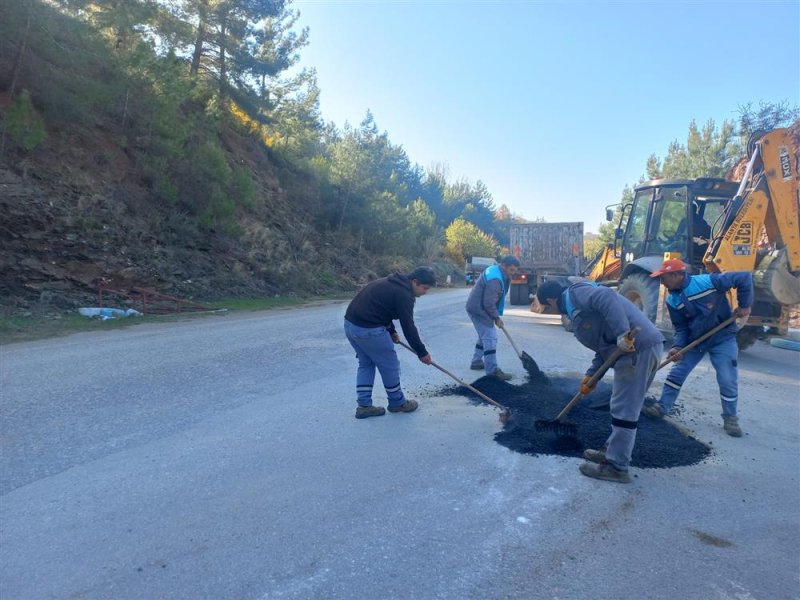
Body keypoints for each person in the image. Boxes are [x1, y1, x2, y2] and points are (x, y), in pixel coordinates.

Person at [536, 279, 665, 483]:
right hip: (635, 350)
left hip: (637, 349)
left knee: (624, 409)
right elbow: (604, 347)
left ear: (552, 300)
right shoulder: (575, 311)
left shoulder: (576, 294)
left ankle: (617, 466)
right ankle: (611, 451)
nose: (550, 311)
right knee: (623, 406)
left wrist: (623, 332)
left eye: (547, 307)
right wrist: (592, 375)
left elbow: (606, 296)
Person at [640, 258, 753, 437]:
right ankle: (661, 408)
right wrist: (677, 347)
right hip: (696, 341)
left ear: (677, 275)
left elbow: (744, 278)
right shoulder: (673, 300)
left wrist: (745, 305)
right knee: (677, 373)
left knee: (727, 378)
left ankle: (730, 418)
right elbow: (681, 328)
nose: (661, 281)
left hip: (722, 338)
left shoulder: (708, 282)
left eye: (664, 277)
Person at [344, 267, 435, 419]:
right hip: (368, 329)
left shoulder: (391, 282)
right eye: (424, 288)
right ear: (415, 282)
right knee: (390, 365)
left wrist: (391, 331)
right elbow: (408, 326)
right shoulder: (404, 294)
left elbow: (380, 308)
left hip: (351, 326)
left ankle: (364, 406)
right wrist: (422, 352)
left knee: (366, 363)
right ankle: (397, 402)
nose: (425, 292)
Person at [465, 255, 520, 380]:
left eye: (515, 270)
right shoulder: (495, 280)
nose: (513, 273)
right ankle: (492, 371)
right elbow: (488, 303)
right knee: (490, 338)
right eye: (511, 270)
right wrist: (496, 318)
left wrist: (495, 316)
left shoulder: (497, 272)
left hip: (478, 307)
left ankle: (476, 362)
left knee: (483, 336)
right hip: (479, 310)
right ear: (504, 266)